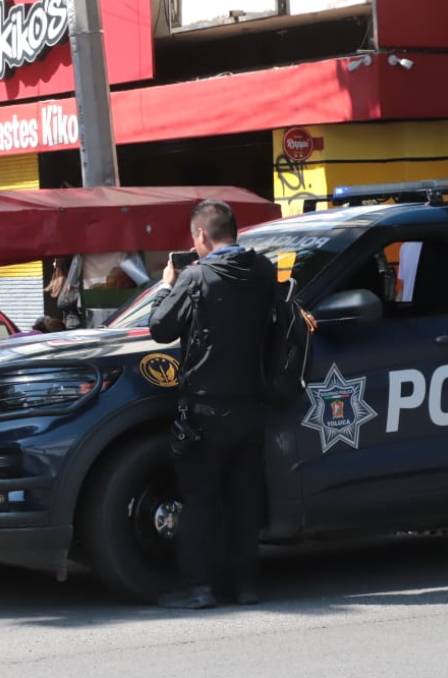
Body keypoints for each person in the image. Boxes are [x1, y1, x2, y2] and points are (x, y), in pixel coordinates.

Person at [147, 199, 276, 610]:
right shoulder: (264, 272)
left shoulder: (197, 277)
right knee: (244, 498)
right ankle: (246, 587)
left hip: (205, 409)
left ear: (201, 235)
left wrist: (168, 283)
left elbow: (159, 327)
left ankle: (200, 588)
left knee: (200, 500)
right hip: (253, 404)